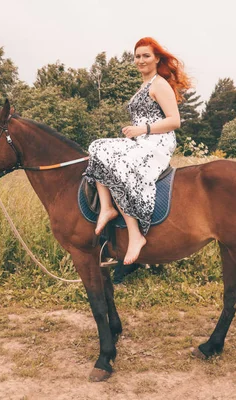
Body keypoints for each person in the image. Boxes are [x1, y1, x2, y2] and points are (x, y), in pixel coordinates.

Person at [84, 37, 191, 265]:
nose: (140, 60)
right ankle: (107, 208)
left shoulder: (159, 84)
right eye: (137, 56)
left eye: (146, 56)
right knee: (97, 147)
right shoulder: (143, 85)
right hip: (141, 140)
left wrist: (143, 129)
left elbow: (175, 121)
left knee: (117, 164)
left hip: (158, 142)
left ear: (157, 59)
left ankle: (135, 233)